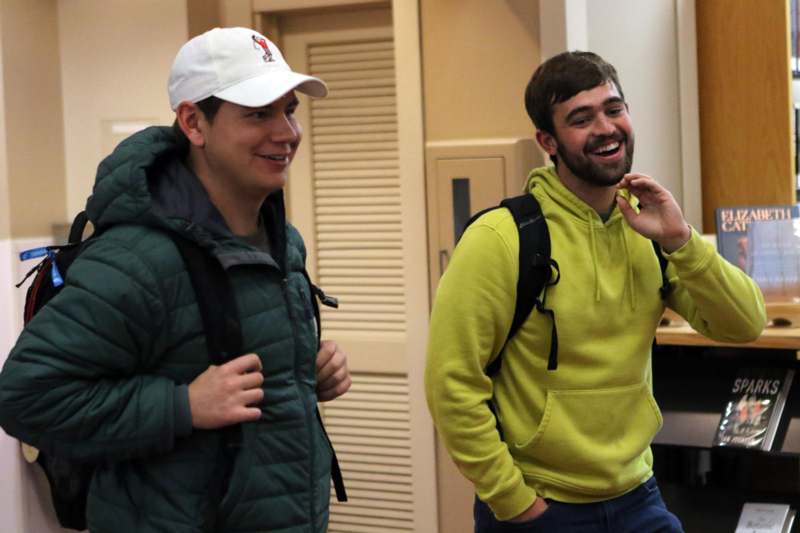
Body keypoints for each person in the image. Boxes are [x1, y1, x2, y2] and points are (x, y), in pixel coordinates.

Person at [0, 27, 351, 533]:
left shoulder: (282, 242)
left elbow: (237, 383)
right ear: (193, 122)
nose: (287, 132)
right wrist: (181, 406)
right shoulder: (139, 258)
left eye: (289, 110)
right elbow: (26, 398)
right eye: (258, 114)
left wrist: (303, 374)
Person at [425, 51, 766, 532]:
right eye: (581, 119)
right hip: (541, 505)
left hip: (637, 494)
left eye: (614, 109)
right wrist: (514, 501)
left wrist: (681, 240)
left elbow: (745, 323)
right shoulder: (501, 238)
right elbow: (451, 382)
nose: (606, 128)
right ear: (548, 141)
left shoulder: (649, 229)